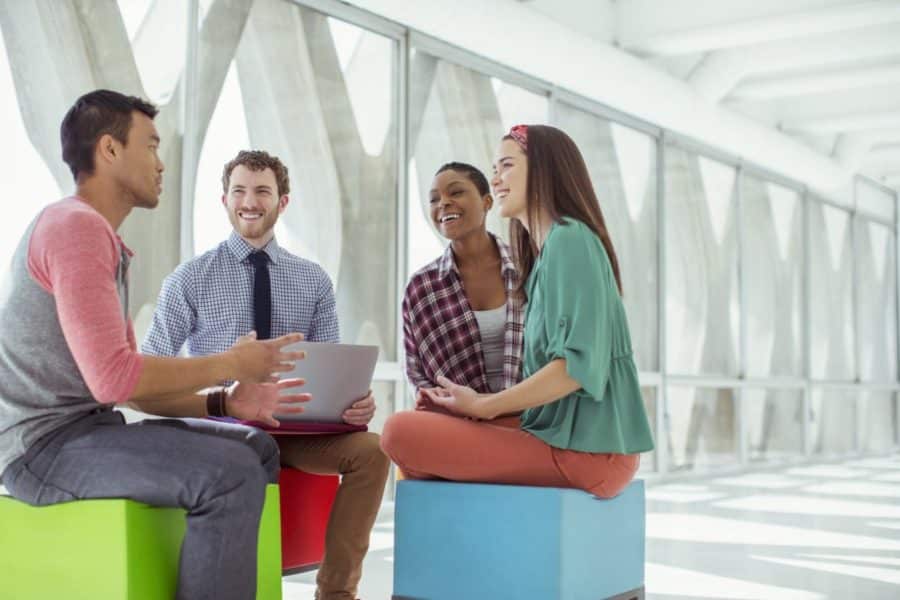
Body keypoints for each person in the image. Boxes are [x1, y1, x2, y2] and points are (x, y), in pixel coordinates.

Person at [0, 90, 308, 600]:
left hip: (86, 431)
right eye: (152, 146)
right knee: (229, 474)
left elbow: (131, 390)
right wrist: (231, 363)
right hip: (42, 448)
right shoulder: (74, 229)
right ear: (110, 150)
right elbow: (115, 379)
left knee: (255, 447)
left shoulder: (99, 238)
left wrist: (226, 401)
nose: (162, 164)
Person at [143, 149, 390, 600]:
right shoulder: (190, 278)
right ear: (224, 200)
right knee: (248, 451)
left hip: (295, 427)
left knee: (372, 452)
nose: (250, 201)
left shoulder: (313, 280)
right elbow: (152, 363)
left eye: (262, 191)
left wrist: (354, 403)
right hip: (223, 425)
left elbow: (332, 363)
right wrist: (220, 386)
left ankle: (336, 593)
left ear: (283, 201)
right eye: (239, 190)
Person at [381, 125, 654, 499]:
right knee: (423, 428)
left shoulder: (571, 241)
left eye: (506, 166)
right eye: (494, 169)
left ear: (543, 168)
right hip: (561, 435)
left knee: (398, 433)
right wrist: (470, 407)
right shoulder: (544, 257)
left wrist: (485, 405)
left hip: (589, 452)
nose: (496, 178)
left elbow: (575, 368)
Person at [402, 162, 523, 414]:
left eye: (455, 192)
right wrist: (428, 392)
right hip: (461, 420)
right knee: (397, 429)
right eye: (434, 199)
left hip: (531, 416)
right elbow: (416, 373)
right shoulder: (421, 287)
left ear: (487, 202)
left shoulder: (529, 268)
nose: (443, 203)